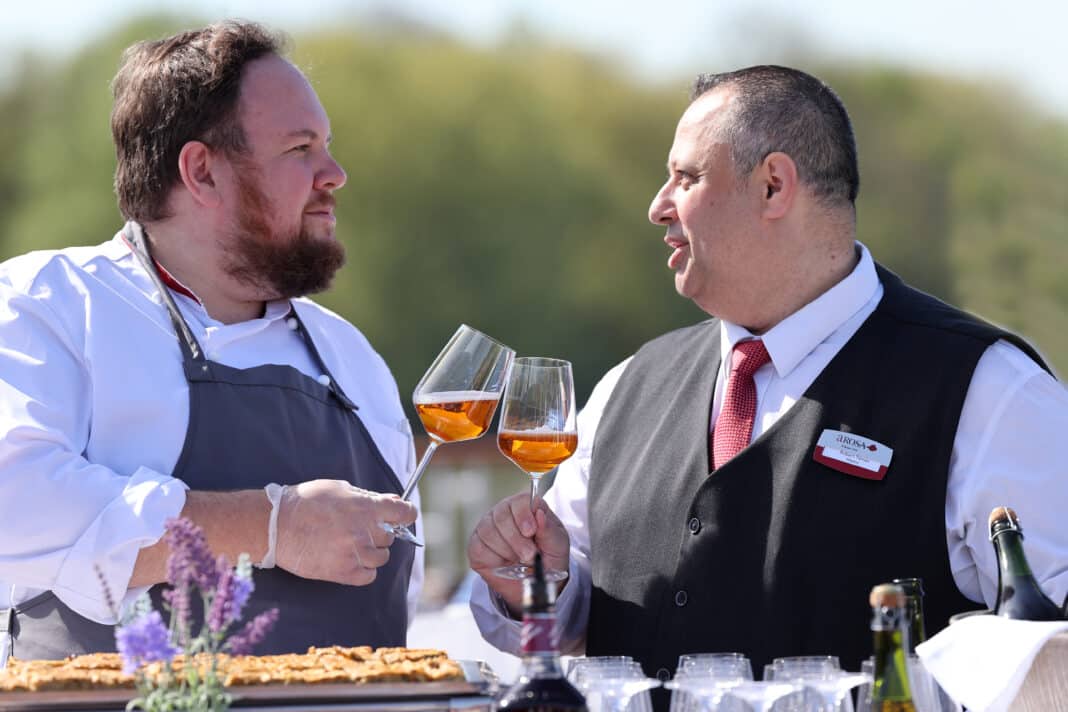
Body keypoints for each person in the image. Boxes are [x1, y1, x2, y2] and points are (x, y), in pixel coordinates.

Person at [468, 65, 1068, 690]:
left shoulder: (990, 391)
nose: (657, 207)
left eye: (687, 178)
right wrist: (540, 584)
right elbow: (565, 616)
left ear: (774, 186)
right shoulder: (626, 387)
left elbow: (1054, 659)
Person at [0, 21, 422, 661]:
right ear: (201, 171)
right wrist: (274, 526)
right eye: (300, 148)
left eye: (326, 146)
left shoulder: (350, 355)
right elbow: (16, 502)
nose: (334, 173)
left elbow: (402, 596)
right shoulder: (47, 302)